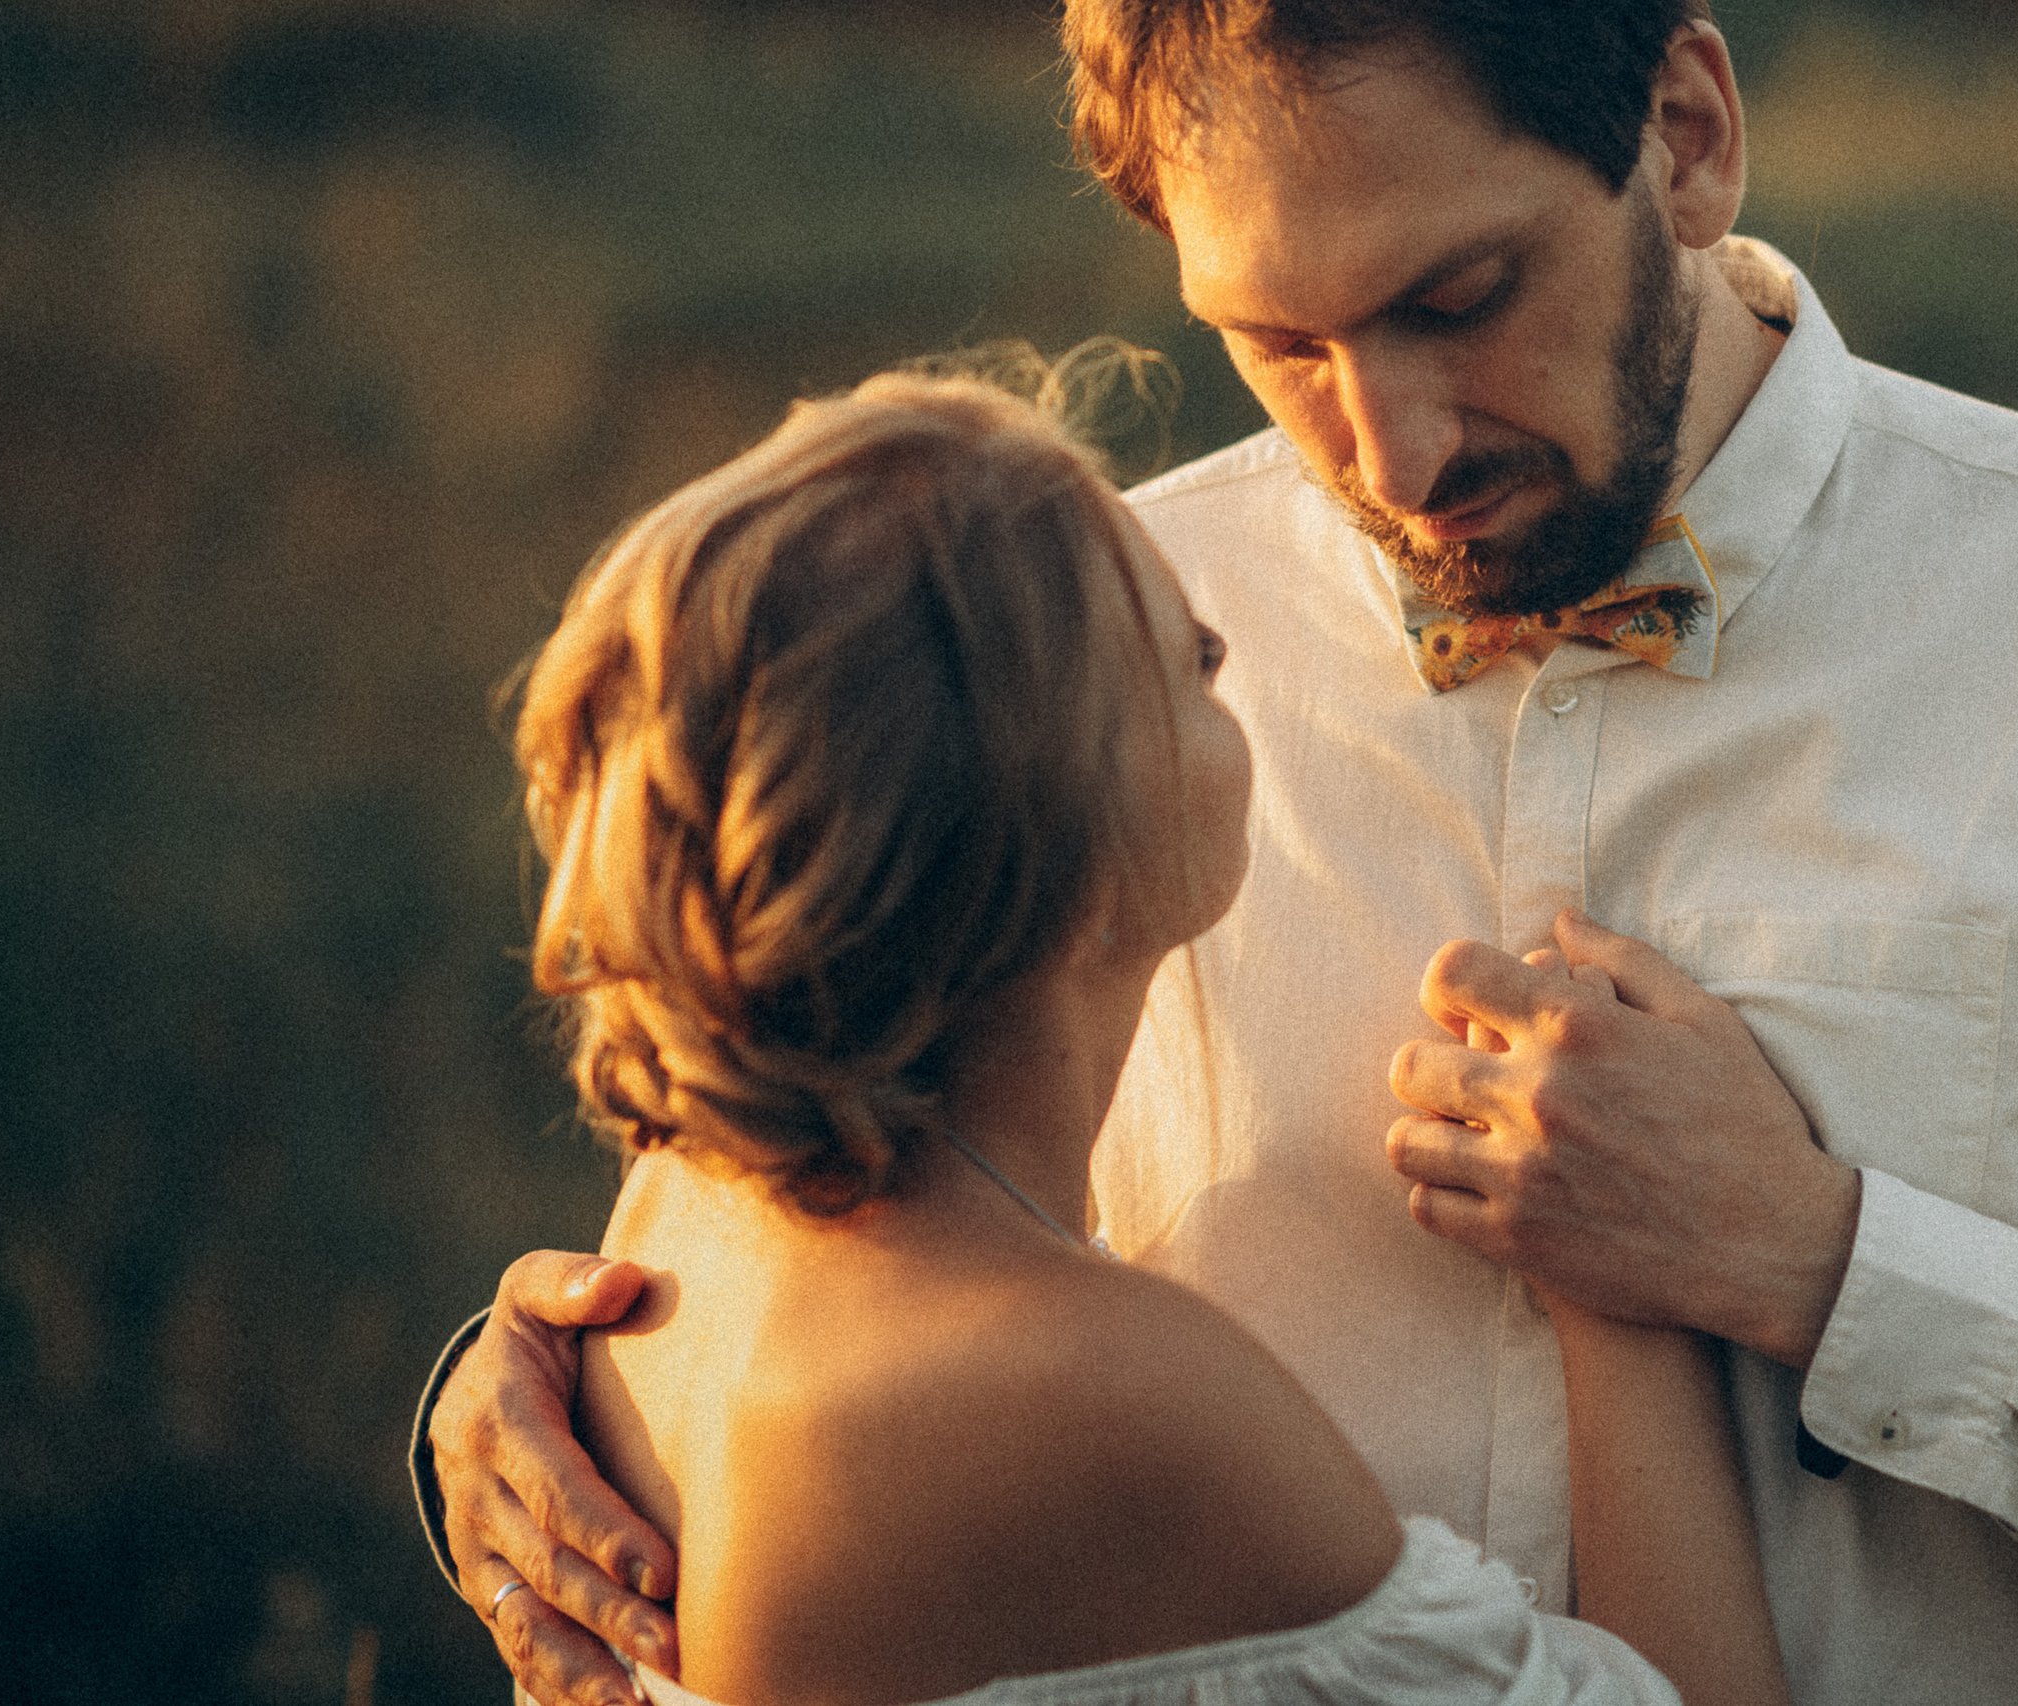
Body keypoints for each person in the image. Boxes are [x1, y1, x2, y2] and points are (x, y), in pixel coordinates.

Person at [420, 6, 2018, 1704]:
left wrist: (1827, 1266)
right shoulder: (1101, 657)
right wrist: (525, 1395)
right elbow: (790, 1174)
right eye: (1275, 345)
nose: (1386, 458)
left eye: (1455, 299)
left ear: (1682, 134)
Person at [473, 354, 1794, 1705]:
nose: (1237, 680)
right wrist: (1619, 1277)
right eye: (1196, 662)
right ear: (1066, 837)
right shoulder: (1089, 1386)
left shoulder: (665, 1235)